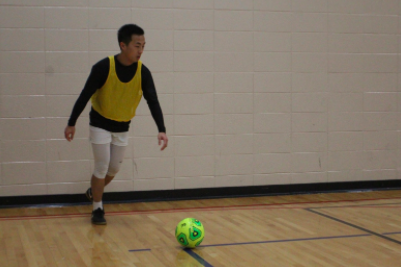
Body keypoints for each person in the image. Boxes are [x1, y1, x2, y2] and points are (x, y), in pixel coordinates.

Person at [64, 24, 168, 225]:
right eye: (137, 45)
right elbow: (85, 95)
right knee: (102, 167)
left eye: (143, 46)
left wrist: (161, 129)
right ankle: (98, 208)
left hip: (122, 127)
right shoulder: (103, 68)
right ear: (123, 45)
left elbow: (153, 100)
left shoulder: (143, 73)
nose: (141, 50)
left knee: (113, 169)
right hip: (99, 124)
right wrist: (71, 123)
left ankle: (94, 191)